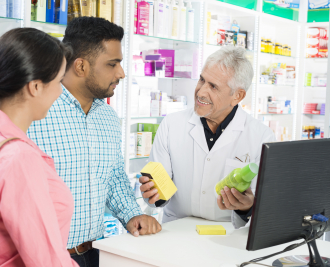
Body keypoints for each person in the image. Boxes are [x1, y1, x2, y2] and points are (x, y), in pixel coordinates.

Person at [27, 17, 161, 267]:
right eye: (113, 64)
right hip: (44, 258)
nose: (121, 73)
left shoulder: (108, 117)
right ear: (80, 66)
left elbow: (113, 177)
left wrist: (133, 215)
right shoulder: (37, 111)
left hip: (95, 252)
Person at [0, 28, 78, 267]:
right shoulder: (18, 157)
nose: (61, 92)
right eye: (60, 81)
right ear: (35, 87)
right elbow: (46, 260)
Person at [140, 46, 276, 228]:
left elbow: (266, 208)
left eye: (213, 86)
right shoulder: (171, 124)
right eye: (202, 80)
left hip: (229, 237)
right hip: (176, 232)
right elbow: (158, 197)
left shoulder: (261, 137)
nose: (201, 92)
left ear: (237, 96)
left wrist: (247, 207)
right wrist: (153, 193)